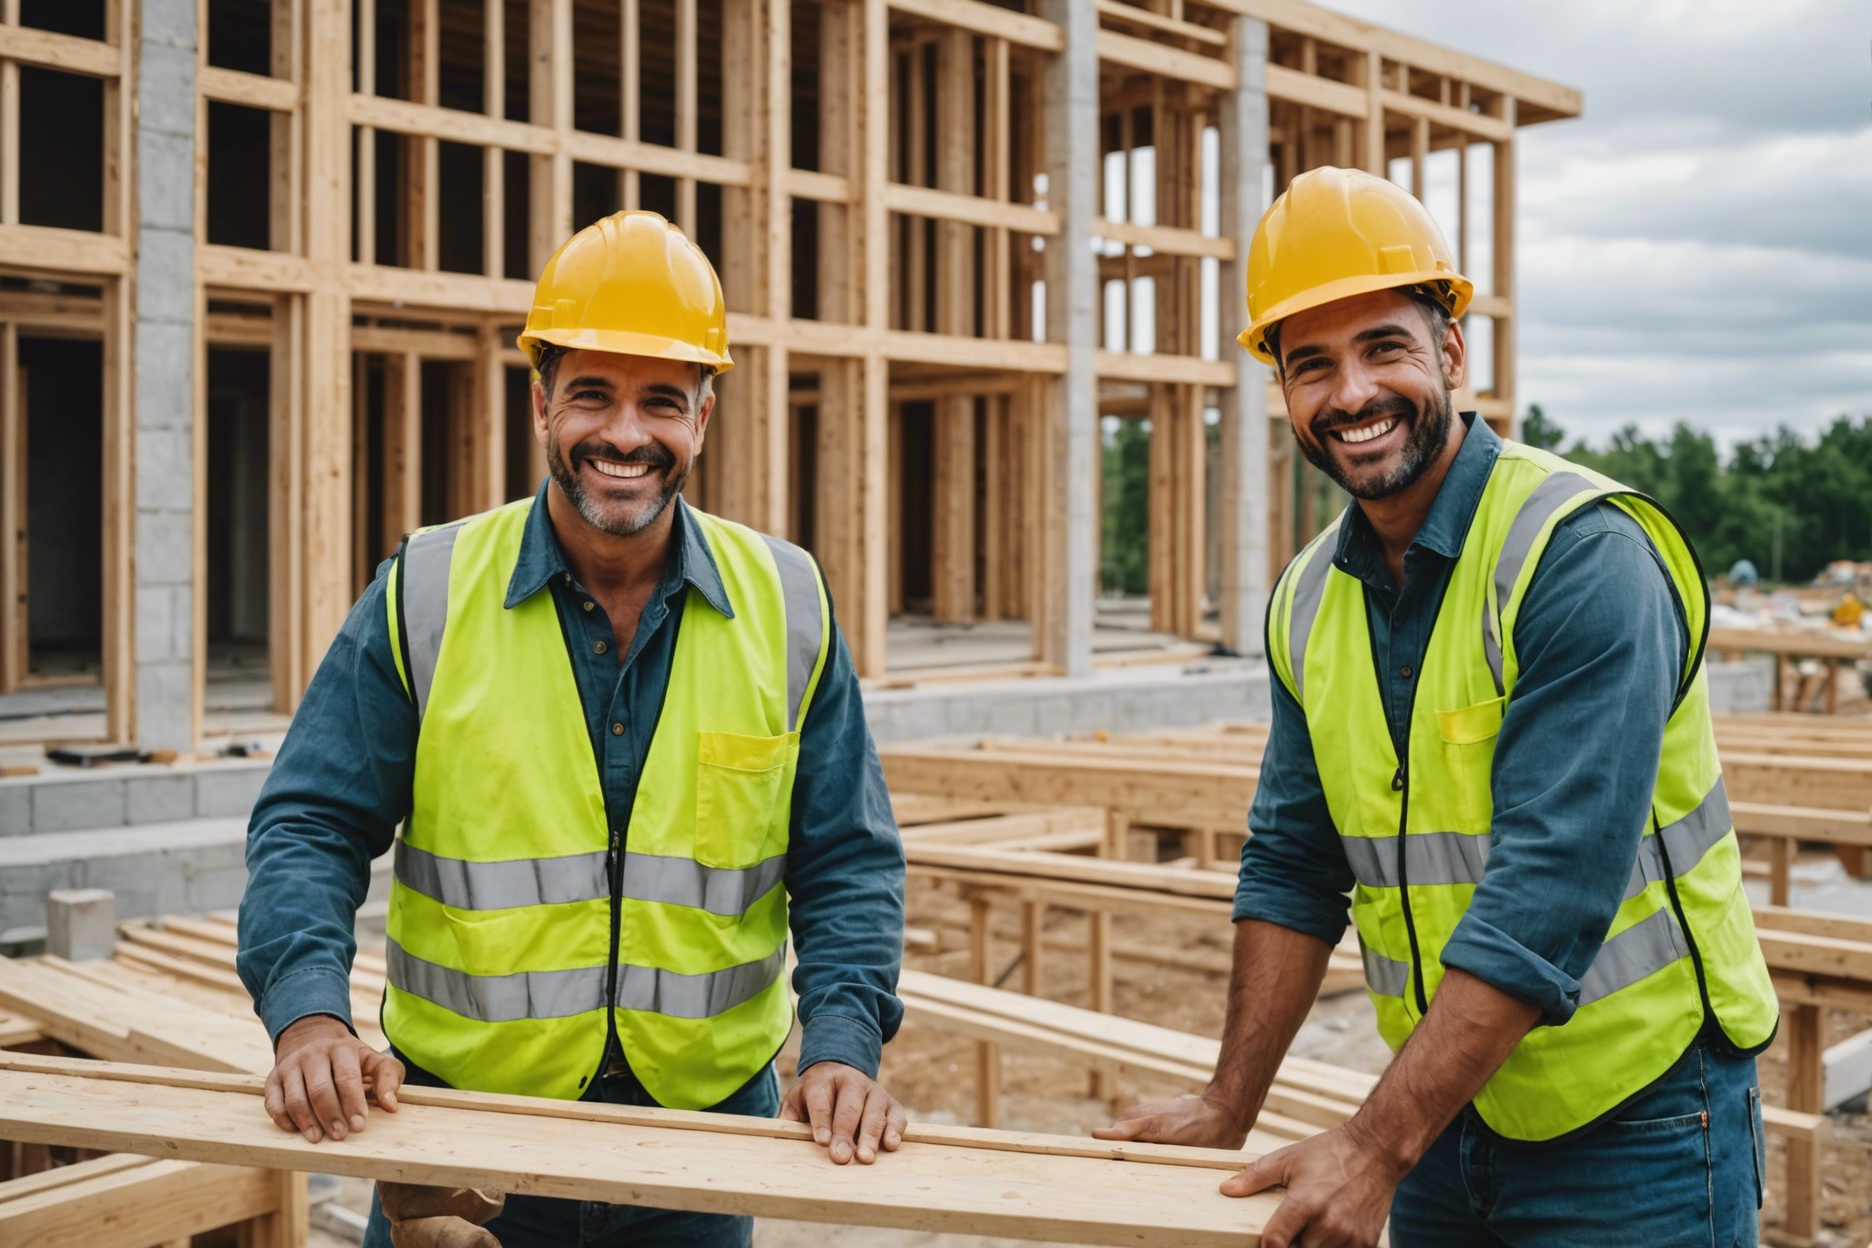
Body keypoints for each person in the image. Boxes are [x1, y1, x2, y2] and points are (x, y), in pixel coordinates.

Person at [1096, 167, 1778, 1248]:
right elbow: (1293, 858)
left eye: (1385, 348)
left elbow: (1549, 891)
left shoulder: (1580, 555)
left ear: (1451, 352)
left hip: (1637, 1118)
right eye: (1311, 364)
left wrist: (1373, 1147)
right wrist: (1231, 1101)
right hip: (1447, 1109)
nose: (1351, 394)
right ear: (1282, 391)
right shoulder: (1311, 597)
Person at [237, 210, 908, 1248]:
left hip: (702, 1152)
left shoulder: (791, 603)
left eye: (662, 403)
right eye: (592, 393)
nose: (626, 435)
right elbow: (311, 823)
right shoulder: (428, 589)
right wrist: (309, 1014)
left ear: (705, 414)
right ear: (542, 400)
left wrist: (844, 1045)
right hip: (460, 1142)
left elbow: (847, 863)